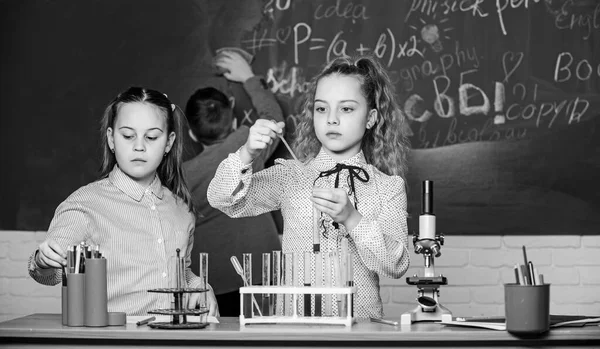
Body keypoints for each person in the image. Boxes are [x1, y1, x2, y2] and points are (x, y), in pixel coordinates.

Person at [207, 55, 411, 319]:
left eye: (346, 109)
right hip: (296, 328)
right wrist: (246, 153)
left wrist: (352, 218)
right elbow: (222, 199)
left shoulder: (388, 187)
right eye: (321, 109)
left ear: (371, 118)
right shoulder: (291, 176)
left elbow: (396, 264)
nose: (332, 119)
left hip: (360, 331)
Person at [27, 87, 218, 316]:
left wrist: (200, 287)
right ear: (111, 139)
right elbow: (48, 274)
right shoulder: (85, 204)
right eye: (128, 136)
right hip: (112, 339)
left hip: (170, 338)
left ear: (168, 142)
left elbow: (181, 272)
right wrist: (44, 260)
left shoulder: (181, 209)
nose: (139, 146)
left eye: (152, 137)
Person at [184, 50, 283, 316]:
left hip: (211, 283)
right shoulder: (247, 144)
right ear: (234, 117)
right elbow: (272, 117)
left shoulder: (181, 176)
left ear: (191, 132)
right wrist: (248, 77)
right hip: (264, 273)